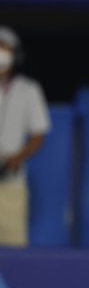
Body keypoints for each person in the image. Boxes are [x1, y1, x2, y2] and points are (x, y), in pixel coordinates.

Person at [0, 26, 51, 247]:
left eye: (5, 49)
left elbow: (38, 135)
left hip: (12, 182)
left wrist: (16, 158)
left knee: (13, 247)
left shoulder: (29, 89)